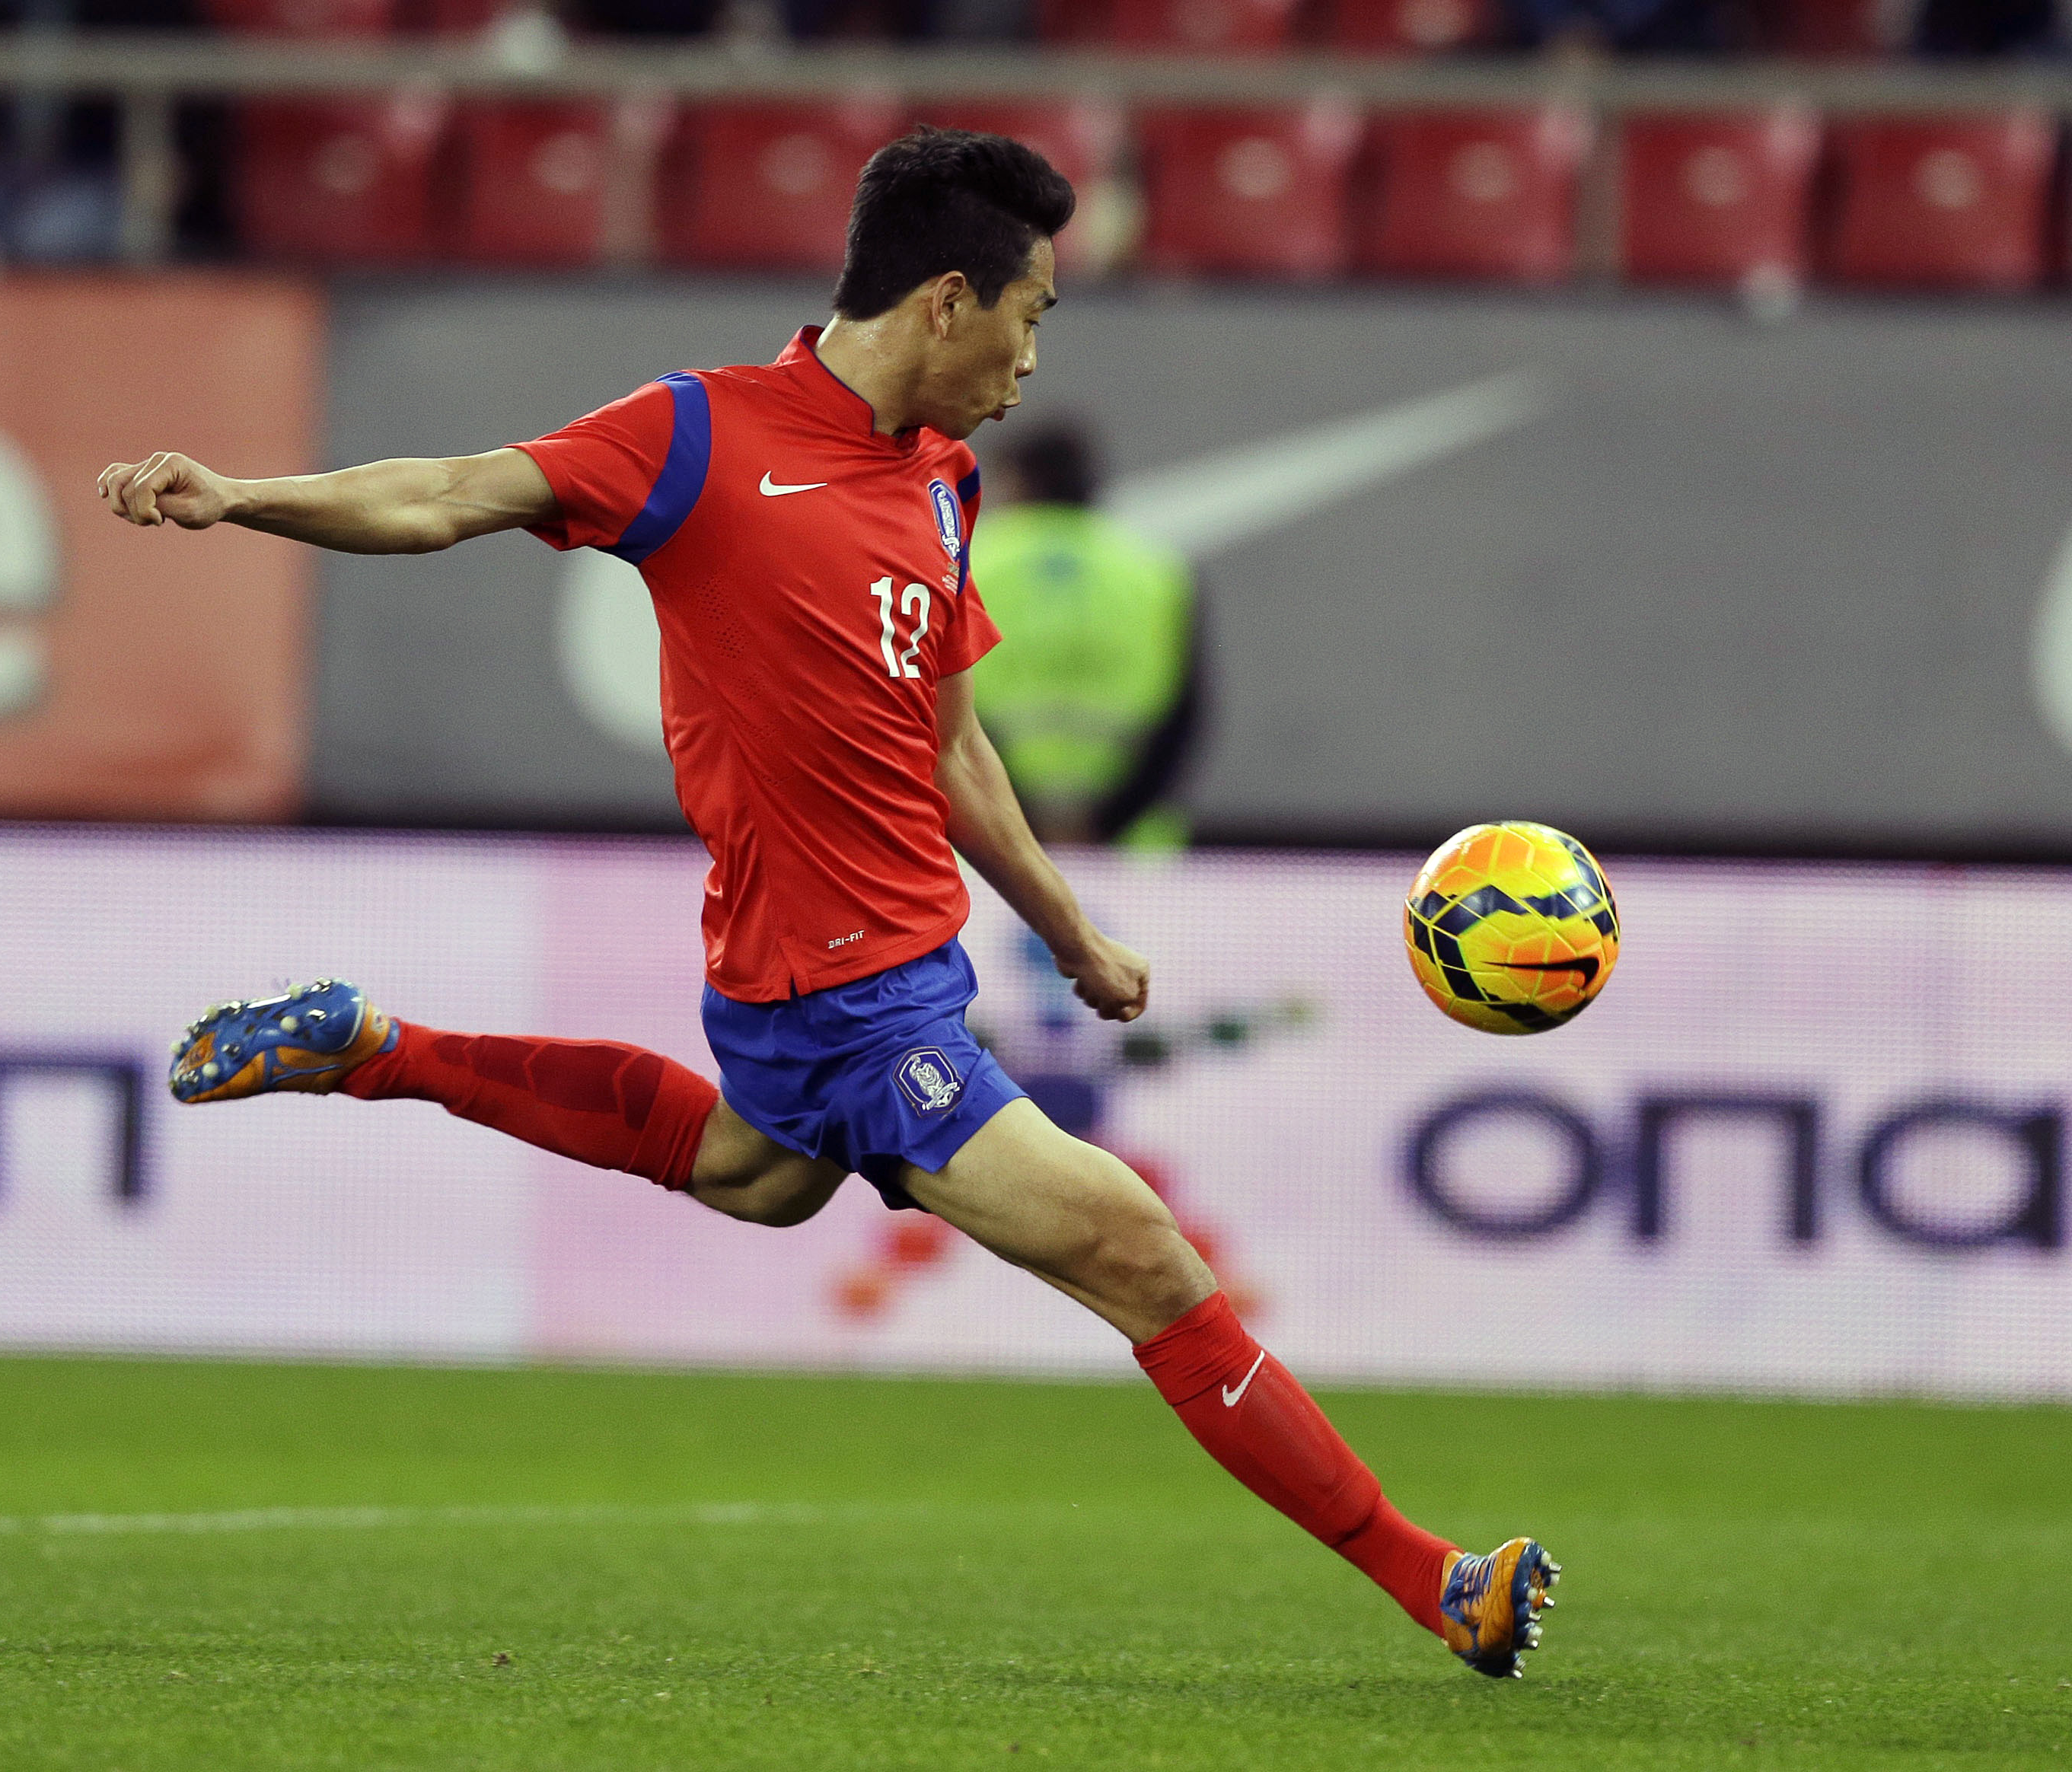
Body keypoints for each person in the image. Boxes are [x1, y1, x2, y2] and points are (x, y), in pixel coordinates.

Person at [96, 126, 1558, 1679]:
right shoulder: (693, 437)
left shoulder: (944, 482)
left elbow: (948, 740)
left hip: (893, 974)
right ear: (948, 301)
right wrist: (239, 495)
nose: (1034, 356)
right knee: (1147, 1259)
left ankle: (373, 1045)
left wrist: (1067, 933)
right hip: (838, 992)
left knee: (760, 1177)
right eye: (1034, 313)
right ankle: (1440, 1584)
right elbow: (449, 494)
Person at [971, 420, 1204, 850]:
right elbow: (1183, 719)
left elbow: (934, 711)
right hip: (1130, 853)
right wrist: (1107, 822)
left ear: (1015, 480)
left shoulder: (969, 565)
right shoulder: (1155, 572)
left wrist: (1019, 818)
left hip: (989, 848)